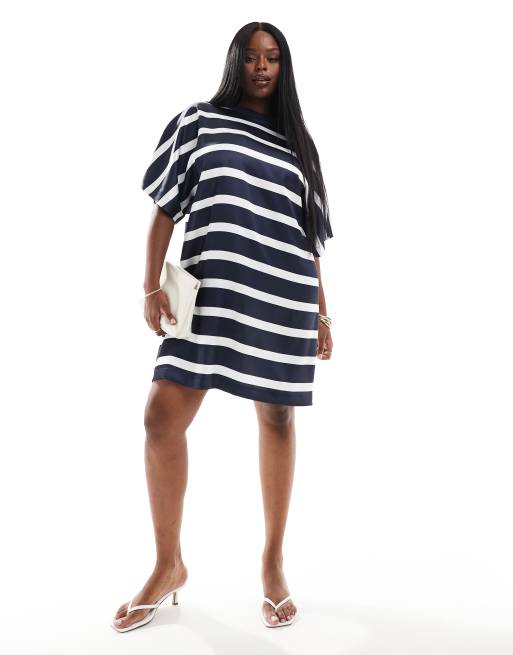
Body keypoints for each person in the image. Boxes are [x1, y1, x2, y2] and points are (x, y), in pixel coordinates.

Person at [111, 21, 334, 632]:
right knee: (161, 417)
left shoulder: (300, 147)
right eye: (252, 56)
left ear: (284, 68)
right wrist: (151, 285)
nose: (263, 67)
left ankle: (272, 564)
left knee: (277, 417)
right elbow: (164, 207)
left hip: (281, 295)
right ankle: (168, 565)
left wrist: (321, 311)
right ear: (235, 61)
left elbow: (311, 240)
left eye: (274, 57)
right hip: (209, 297)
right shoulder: (199, 123)